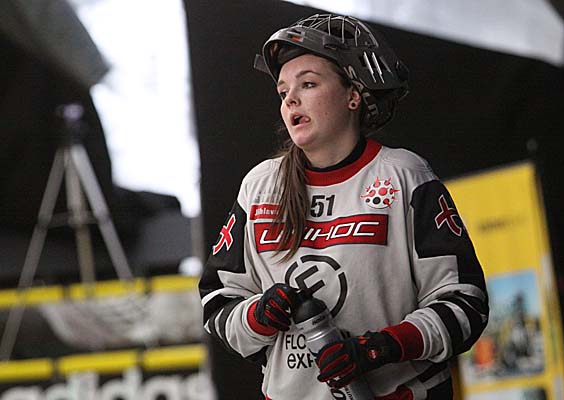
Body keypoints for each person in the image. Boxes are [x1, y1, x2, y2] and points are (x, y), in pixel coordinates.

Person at [199, 13, 488, 400]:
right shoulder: (259, 186)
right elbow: (218, 303)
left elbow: (465, 303)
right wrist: (259, 315)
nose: (291, 100)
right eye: (283, 92)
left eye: (308, 84)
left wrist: (381, 348)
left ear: (354, 95)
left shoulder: (404, 174)